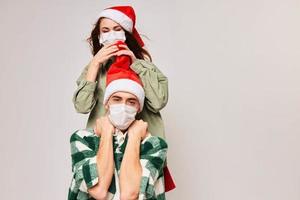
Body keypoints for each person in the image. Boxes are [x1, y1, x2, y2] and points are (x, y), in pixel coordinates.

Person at [72, 6, 175, 192]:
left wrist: (136, 64)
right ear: (99, 36)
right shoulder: (93, 69)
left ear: (127, 33)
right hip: (103, 145)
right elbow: (82, 106)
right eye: (105, 30)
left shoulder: (145, 66)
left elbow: (159, 102)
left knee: (137, 192)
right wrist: (95, 65)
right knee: (101, 191)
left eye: (117, 29)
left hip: (141, 146)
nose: (111, 34)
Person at [68, 50, 168, 199]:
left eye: (131, 102)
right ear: (106, 104)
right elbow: (98, 190)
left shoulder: (155, 145)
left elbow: (130, 194)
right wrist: (107, 134)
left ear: (138, 108)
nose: (123, 106)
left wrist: (134, 136)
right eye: (117, 99)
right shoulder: (82, 139)